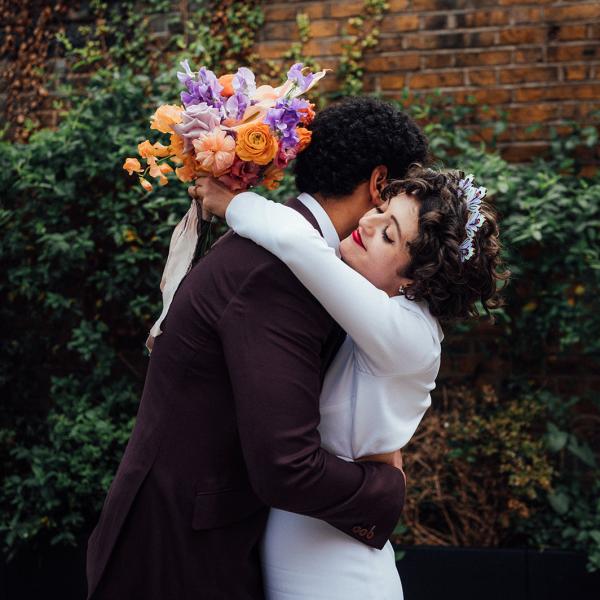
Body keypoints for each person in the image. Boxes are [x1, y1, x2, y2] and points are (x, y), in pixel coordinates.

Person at [86, 97, 429, 599]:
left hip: (208, 537)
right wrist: (386, 491)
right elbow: (286, 465)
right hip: (179, 554)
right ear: (379, 184)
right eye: (397, 192)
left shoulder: (299, 255)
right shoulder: (280, 274)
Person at [195, 164, 507, 599]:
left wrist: (230, 202)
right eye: (381, 209)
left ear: (413, 283)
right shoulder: (389, 319)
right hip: (305, 542)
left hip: (339, 572)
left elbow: (298, 246)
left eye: (388, 235)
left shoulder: (408, 335)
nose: (367, 221)